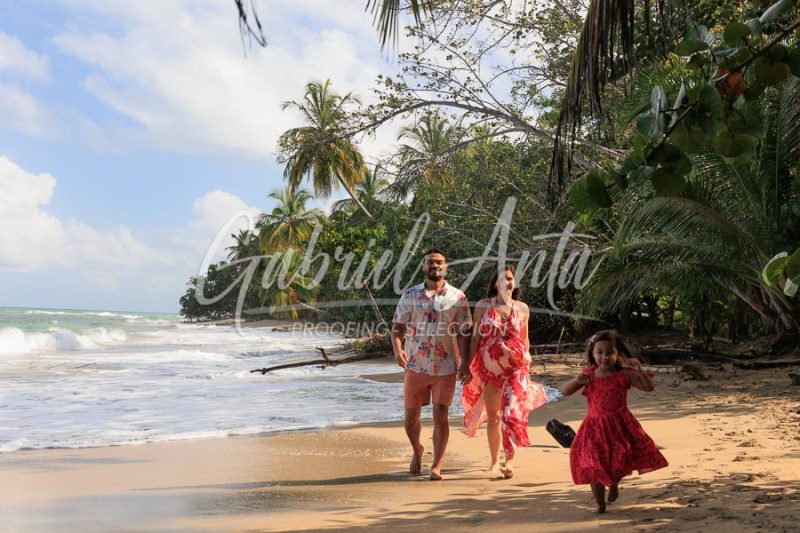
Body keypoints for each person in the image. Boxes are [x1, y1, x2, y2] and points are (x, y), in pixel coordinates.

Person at [561, 329, 668, 514]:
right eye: (599, 352)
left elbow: (648, 388)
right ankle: (600, 503)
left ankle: (613, 484)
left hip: (620, 426)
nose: (604, 357)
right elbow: (565, 391)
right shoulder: (588, 375)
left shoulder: (623, 375)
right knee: (593, 464)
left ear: (618, 354)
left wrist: (639, 369)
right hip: (594, 428)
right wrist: (576, 380)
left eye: (609, 353)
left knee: (616, 462)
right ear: (592, 353)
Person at [460, 265, 548, 479]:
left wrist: (528, 366)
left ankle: (509, 460)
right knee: (493, 417)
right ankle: (493, 461)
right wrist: (467, 366)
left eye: (510, 279)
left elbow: (525, 340)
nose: (507, 282)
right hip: (489, 370)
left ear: (514, 283)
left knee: (509, 414)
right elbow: (475, 338)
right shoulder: (483, 306)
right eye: (502, 279)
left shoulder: (523, 308)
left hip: (515, 370)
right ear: (495, 284)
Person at [391, 249, 472, 480]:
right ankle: (417, 448)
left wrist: (465, 363)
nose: (435, 265)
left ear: (446, 267)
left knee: (441, 415)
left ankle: (436, 465)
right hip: (415, 365)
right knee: (410, 418)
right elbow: (397, 328)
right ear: (423, 267)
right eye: (430, 262)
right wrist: (398, 350)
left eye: (440, 262)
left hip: (446, 366)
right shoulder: (410, 295)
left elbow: (465, 333)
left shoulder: (458, 297)